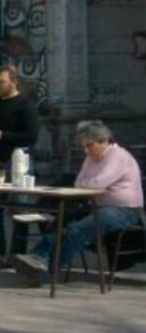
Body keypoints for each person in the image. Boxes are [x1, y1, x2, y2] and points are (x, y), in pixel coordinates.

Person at [13, 121, 144, 285]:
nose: (86, 151)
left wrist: (89, 182)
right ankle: (37, 259)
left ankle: (46, 271)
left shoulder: (118, 156)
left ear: (104, 141)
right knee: (62, 220)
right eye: (84, 147)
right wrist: (89, 182)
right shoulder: (91, 157)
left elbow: (96, 184)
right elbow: (79, 182)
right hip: (98, 206)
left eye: (90, 146)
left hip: (124, 211)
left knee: (76, 231)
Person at [0, 64, 39, 258]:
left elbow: (31, 137)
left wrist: (1, 135)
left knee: (20, 209)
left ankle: (17, 254)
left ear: (14, 82)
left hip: (20, 163)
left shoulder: (26, 105)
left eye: (1, 81)